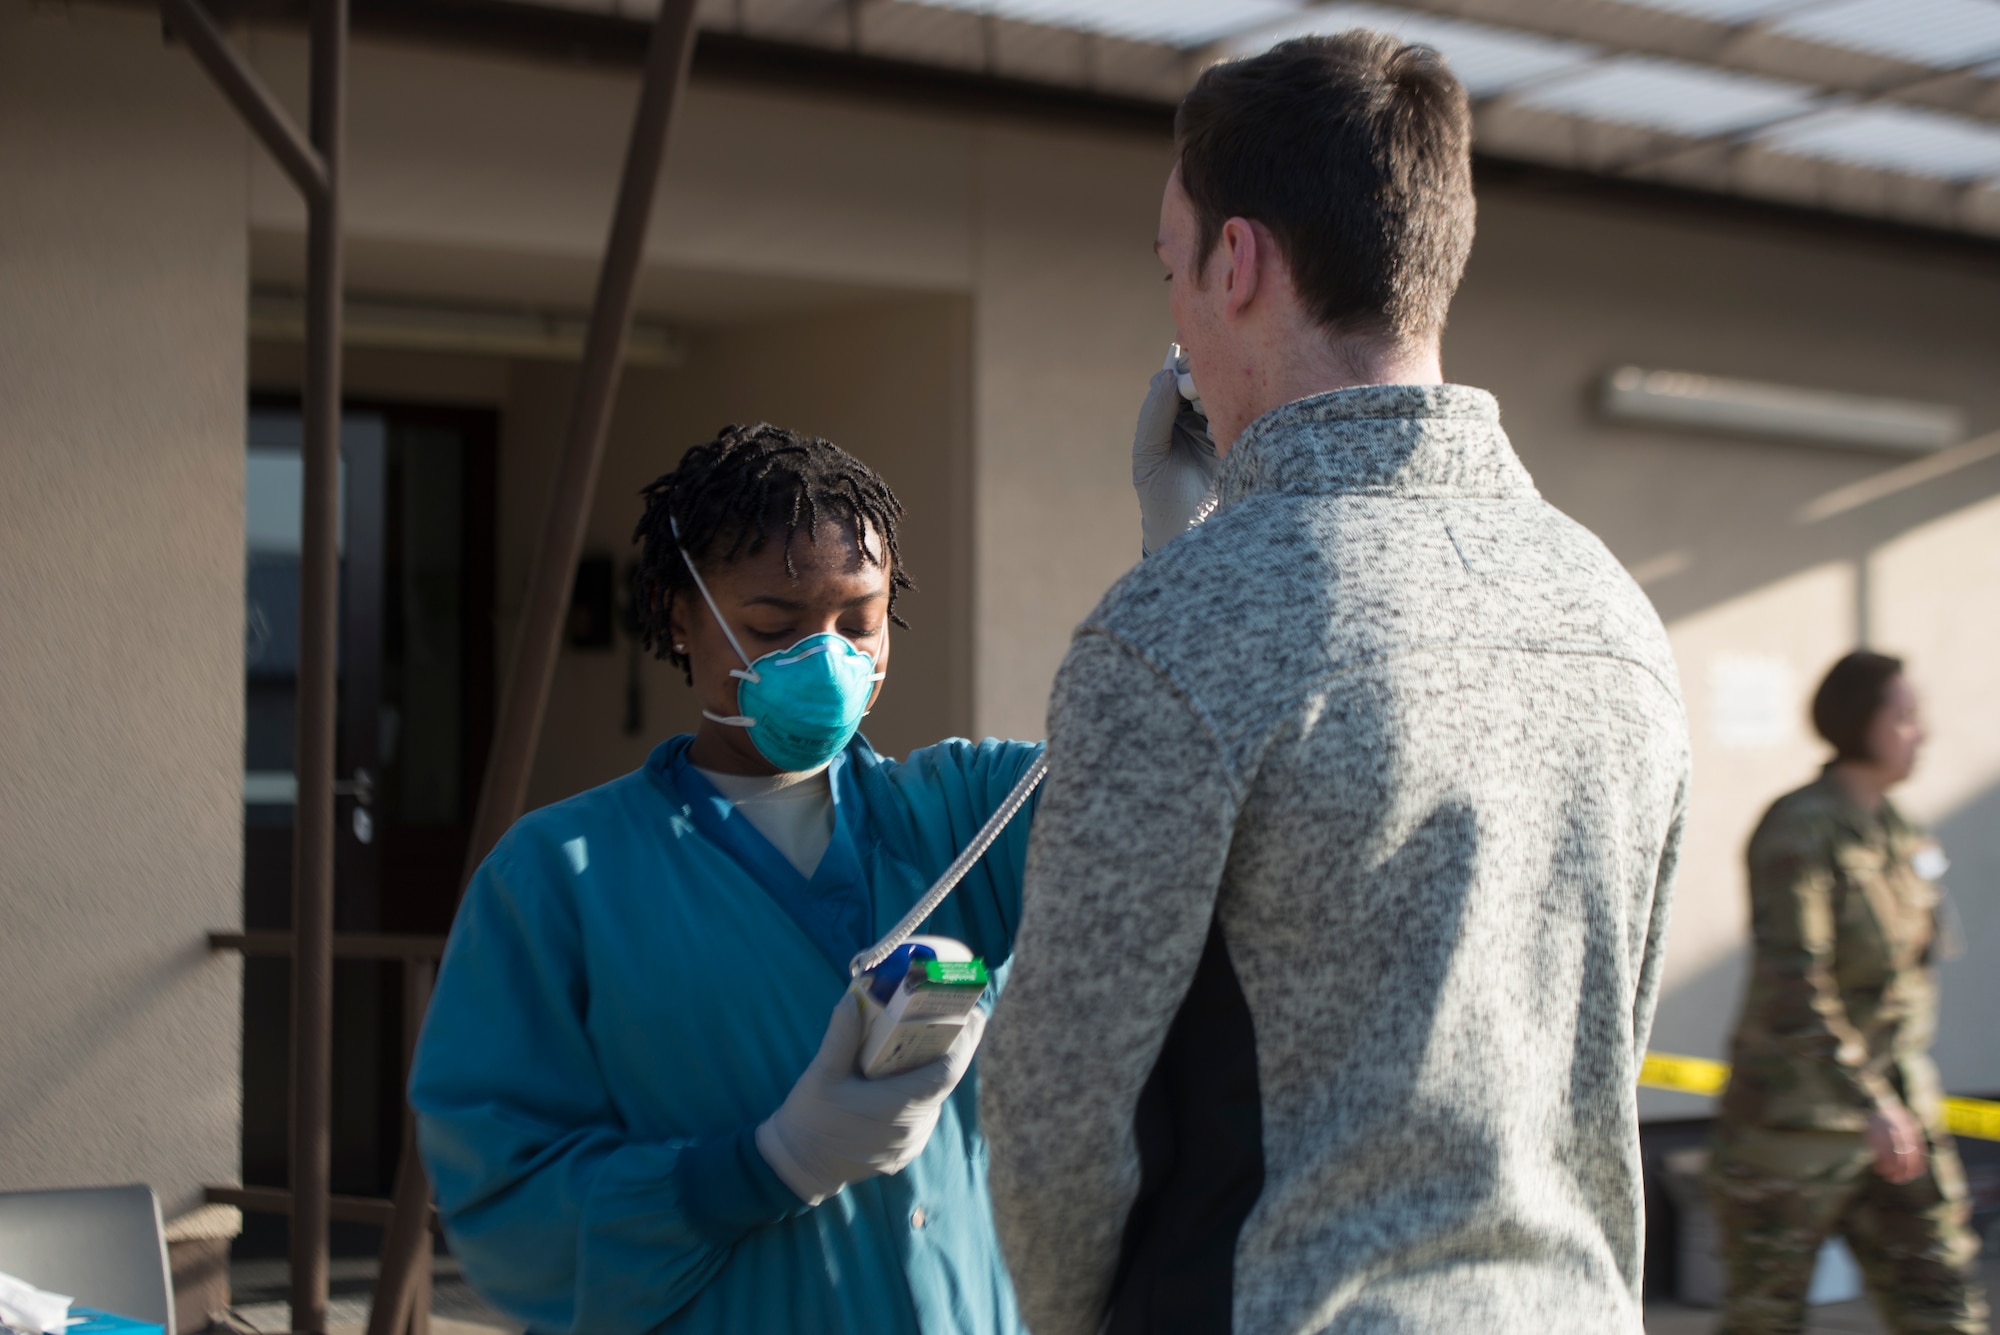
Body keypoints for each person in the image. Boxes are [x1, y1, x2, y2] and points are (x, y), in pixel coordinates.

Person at [981, 31, 1692, 1335]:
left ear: (1237, 262)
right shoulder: (1615, 614)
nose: (1177, 313)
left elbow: (1057, 1107)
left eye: (1172, 268)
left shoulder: (1173, 629)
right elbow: (1600, 1061)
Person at [409, 424, 1043, 1334]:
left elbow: (1166, 789)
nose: (827, 662)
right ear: (678, 613)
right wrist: (764, 1167)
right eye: (775, 627)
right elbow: (504, 1202)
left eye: (858, 623)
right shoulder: (559, 878)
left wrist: (1193, 553)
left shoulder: (964, 818)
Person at [1709, 652, 1988, 1335]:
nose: (1921, 732)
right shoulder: (1800, 829)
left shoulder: (1900, 829)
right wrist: (1870, 1100)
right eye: (1904, 716)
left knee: (1943, 1305)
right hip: (1797, 1125)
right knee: (1764, 1319)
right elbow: (1793, 981)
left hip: (1901, 1113)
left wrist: (1897, 1101)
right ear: (1859, 722)